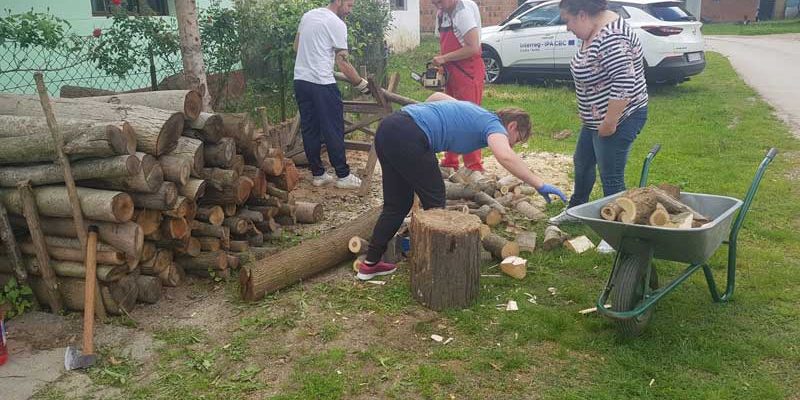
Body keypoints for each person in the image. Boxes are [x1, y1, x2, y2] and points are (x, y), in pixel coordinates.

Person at [355, 93, 567, 280]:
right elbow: (505, 156)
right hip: (409, 134)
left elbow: (436, 97)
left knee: (396, 205)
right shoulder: (494, 125)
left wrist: (429, 118)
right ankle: (436, 267)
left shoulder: (473, 111)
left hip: (389, 127)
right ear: (511, 126)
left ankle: (370, 264)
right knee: (435, 202)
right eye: (516, 139)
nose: (512, 144)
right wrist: (539, 184)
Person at [549, 0, 649, 247]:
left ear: (582, 14)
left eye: (568, 21)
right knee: (583, 162)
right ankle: (576, 210)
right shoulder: (593, 28)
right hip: (597, 118)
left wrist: (609, 122)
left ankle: (617, 231)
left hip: (619, 118)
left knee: (611, 174)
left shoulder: (613, 38)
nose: (567, 27)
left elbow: (624, 83)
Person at [293, 0, 369, 189]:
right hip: (322, 83)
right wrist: (360, 84)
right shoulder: (337, 24)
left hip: (301, 80)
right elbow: (342, 62)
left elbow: (296, 47)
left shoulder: (308, 16)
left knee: (309, 128)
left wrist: (315, 57)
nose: (350, 10)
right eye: (349, 6)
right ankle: (343, 176)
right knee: (333, 128)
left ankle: (318, 174)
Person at [432, 0, 487, 173]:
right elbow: (445, 44)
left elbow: (473, 47)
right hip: (451, 70)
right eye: (434, 2)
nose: (437, 5)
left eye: (440, 1)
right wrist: (443, 63)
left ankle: (473, 166)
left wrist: (445, 58)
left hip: (468, 71)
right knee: (450, 115)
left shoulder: (462, 12)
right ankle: (450, 160)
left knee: (469, 117)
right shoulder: (441, 13)